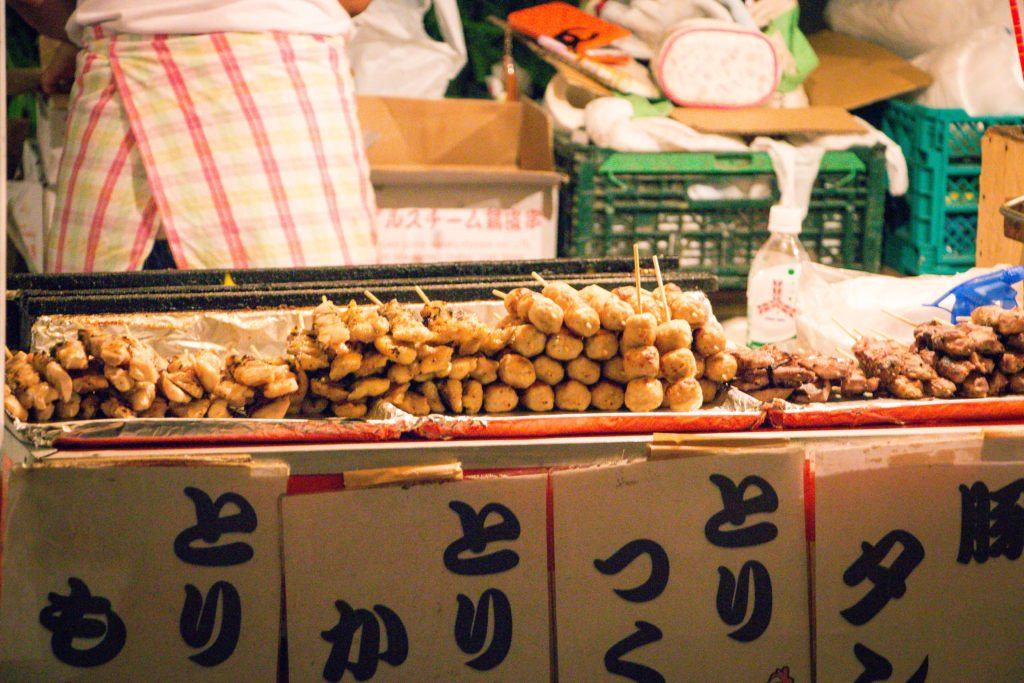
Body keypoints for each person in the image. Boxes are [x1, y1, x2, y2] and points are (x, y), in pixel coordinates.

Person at [11, 0, 380, 272]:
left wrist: (97, 17)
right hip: (283, 86)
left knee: (92, 353)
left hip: (120, 70)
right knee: (317, 348)